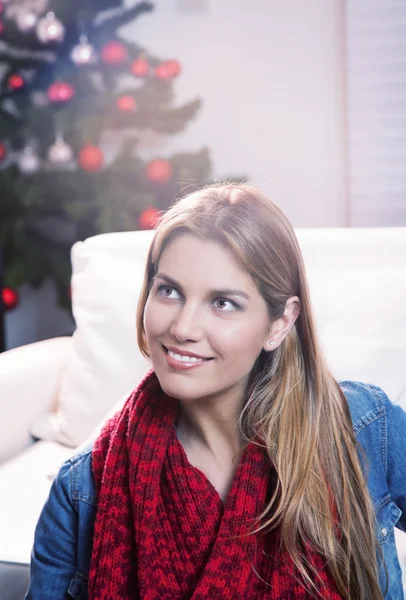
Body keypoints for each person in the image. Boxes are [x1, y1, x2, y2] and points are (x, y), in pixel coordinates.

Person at [25, 183, 406, 600]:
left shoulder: (365, 428)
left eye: (222, 303)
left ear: (280, 322)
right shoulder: (82, 488)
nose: (183, 329)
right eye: (168, 290)